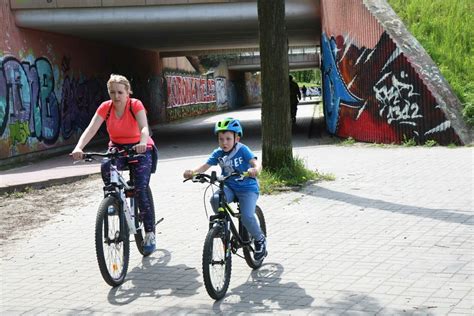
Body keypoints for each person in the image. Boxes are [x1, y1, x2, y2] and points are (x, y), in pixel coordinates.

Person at [71, 74, 157, 255]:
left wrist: (142, 142)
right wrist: (79, 147)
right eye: (112, 92)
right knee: (106, 165)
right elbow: (92, 128)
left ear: (128, 92)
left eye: (120, 92)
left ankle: (149, 232)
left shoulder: (135, 105)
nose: (116, 96)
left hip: (140, 147)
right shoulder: (106, 107)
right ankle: (113, 199)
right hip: (117, 147)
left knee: (140, 188)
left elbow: (144, 128)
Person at [183, 118, 267, 261]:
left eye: (228, 138)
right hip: (229, 186)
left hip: (247, 188)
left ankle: (260, 239)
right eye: (221, 139)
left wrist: (255, 169)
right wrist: (192, 172)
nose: (224, 142)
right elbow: (205, 167)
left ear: (237, 138)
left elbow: (256, 162)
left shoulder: (243, 150)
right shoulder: (218, 153)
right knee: (215, 199)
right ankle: (223, 227)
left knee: (247, 216)